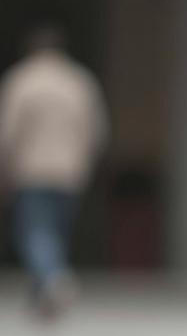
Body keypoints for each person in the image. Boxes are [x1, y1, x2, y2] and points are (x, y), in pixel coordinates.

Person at [0, 24, 108, 318]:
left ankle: (53, 278)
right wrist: (85, 162)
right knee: (56, 232)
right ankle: (43, 295)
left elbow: (8, 131)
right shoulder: (79, 82)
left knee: (35, 232)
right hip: (70, 171)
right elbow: (96, 130)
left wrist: (5, 167)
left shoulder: (22, 80)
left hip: (32, 169)